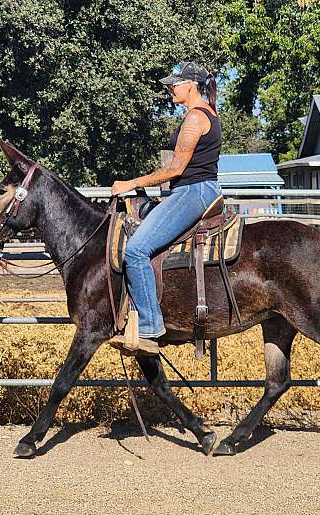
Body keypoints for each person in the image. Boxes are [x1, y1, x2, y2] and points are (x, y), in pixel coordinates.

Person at [110, 61, 222, 354]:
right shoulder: (203, 114)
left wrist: (130, 183)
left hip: (193, 191)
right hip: (194, 189)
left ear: (190, 86)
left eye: (175, 83)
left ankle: (149, 327)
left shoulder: (196, 118)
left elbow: (176, 168)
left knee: (136, 250)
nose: (170, 88)